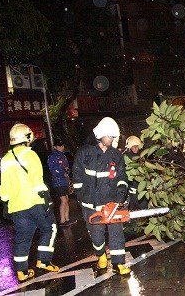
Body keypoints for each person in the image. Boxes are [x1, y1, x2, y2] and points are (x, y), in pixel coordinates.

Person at [0, 123, 60, 282]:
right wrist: (48, 199)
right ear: (27, 137)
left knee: (23, 237)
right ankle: (43, 260)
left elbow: (4, 187)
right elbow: (37, 181)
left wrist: (6, 203)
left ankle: (22, 272)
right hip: (35, 202)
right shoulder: (29, 155)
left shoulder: (5, 159)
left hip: (17, 207)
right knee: (50, 228)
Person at [72, 117, 131, 275]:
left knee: (117, 233)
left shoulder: (116, 155)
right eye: (109, 136)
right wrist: (83, 197)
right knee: (96, 234)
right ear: (100, 135)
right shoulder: (85, 153)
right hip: (91, 204)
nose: (111, 139)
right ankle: (101, 254)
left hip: (112, 203)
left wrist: (121, 194)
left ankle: (119, 264)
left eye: (113, 137)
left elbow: (122, 177)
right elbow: (77, 178)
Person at [47, 139, 76, 227]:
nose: (62, 147)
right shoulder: (53, 156)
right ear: (55, 147)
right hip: (58, 181)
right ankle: (62, 220)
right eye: (60, 146)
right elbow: (53, 170)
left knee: (66, 199)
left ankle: (66, 219)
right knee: (63, 200)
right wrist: (62, 172)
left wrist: (67, 171)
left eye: (62, 145)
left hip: (64, 181)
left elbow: (66, 167)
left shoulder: (62, 156)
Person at [123, 135, 148, 210]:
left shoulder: (140, 158)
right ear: (130, 147)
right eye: (134, 146)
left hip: (140, 192)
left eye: (137, 146)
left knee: (145, 211)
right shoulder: (125, 158)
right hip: (130, 193)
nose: (136, 148)